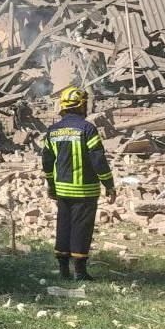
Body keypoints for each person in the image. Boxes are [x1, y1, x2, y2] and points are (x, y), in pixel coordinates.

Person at [42, 86, 116, 281]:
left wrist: (51, 185)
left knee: (63, 226)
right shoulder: (87, 129)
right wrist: (109, 184)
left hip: (62, 190)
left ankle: (63, 271)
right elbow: (98, 159)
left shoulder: (53, 131)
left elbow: (47, 161)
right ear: (82, 105)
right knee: (81, 228)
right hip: (85, 191)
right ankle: (80, 272)